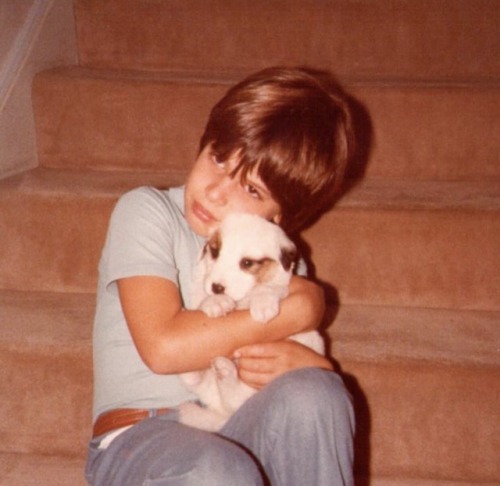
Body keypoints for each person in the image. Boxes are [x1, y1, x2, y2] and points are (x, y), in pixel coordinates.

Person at [85, 66, 357, 485]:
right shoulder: (146, 212)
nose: (215, 191)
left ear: (278, 218)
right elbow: (164, 347)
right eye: (217, 158)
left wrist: (313, 365)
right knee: (218, 471)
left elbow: (295, 377)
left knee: (317, 396)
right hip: (141, 436)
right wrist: (301, 307)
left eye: (251, 190)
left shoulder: (278, 258)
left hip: (237, 426)